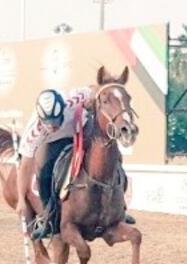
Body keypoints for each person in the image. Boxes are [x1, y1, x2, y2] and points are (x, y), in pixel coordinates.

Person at [17, 88, 134, 240]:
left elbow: (96, 92)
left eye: (56, 121)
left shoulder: (73, 99)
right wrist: (21, 198)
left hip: (80, 128)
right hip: (52, 142)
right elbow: (25, 167)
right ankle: (48, 219)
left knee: (112, 153)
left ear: (62, 110)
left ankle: (119, 208)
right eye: (49, 123)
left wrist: (94, 102)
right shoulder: (33, 132)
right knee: (44, 174)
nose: (53, 126)